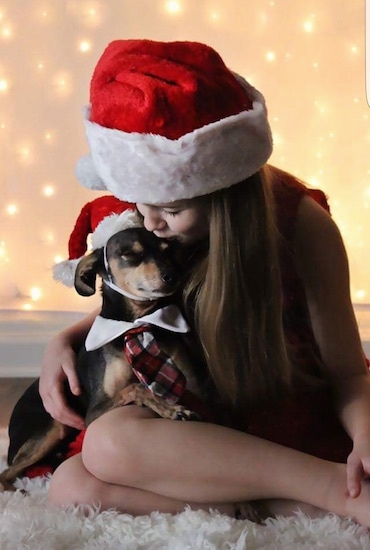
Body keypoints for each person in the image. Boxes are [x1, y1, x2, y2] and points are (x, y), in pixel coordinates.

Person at [41, 39, 370, 525]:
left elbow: (349, 374)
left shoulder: (301, 225)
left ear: (224, 192)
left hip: (280, 419)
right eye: (140, 202)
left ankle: (331, 487)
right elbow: (143, 306)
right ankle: (293, 503)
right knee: (75, 481)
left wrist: (364, 437)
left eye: (171, 209)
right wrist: (63, 339)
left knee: (108, 449)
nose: (150, 223)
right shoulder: (151, 221)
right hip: (197, 425)